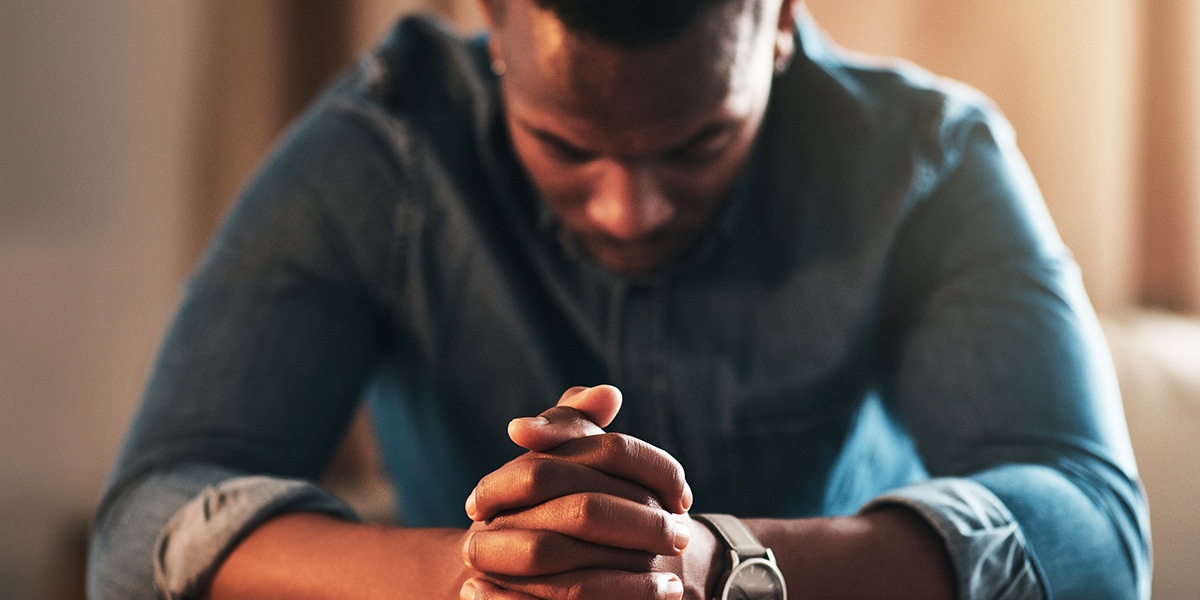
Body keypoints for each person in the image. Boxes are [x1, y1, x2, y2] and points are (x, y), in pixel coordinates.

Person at [87, 0, 1151, 598]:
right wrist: (483, 575)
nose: (630, 209)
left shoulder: (930, 161)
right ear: (489, 20)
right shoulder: (382, 154)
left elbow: (1100, 539)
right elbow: (139, 529)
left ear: (778, 18)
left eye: (698, 143)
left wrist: (722, 565)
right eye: (563, 144)